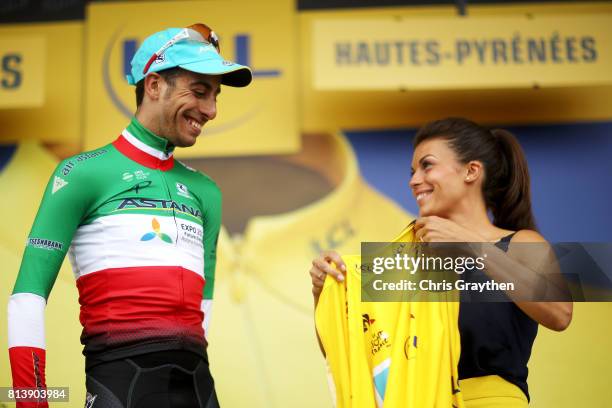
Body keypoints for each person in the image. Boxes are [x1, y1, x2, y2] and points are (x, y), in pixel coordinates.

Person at [8, 23, 251, 408]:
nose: (211, 110)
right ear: (153, 85)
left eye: (216, 97)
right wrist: (31, 403)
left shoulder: (207, 192)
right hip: (120, 386)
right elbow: (27, 298)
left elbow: (202, 315)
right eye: (200, 91)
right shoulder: (81, 174)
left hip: (199, 390)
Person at [310, 117, 573, 407]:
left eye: (427, 165)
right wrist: (324, 293)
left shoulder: (520, 243)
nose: (413, 181)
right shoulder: (405, 262)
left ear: (471, 171)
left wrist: (469, 243)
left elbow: (559, 313)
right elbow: (350, 348)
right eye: (412, 171)